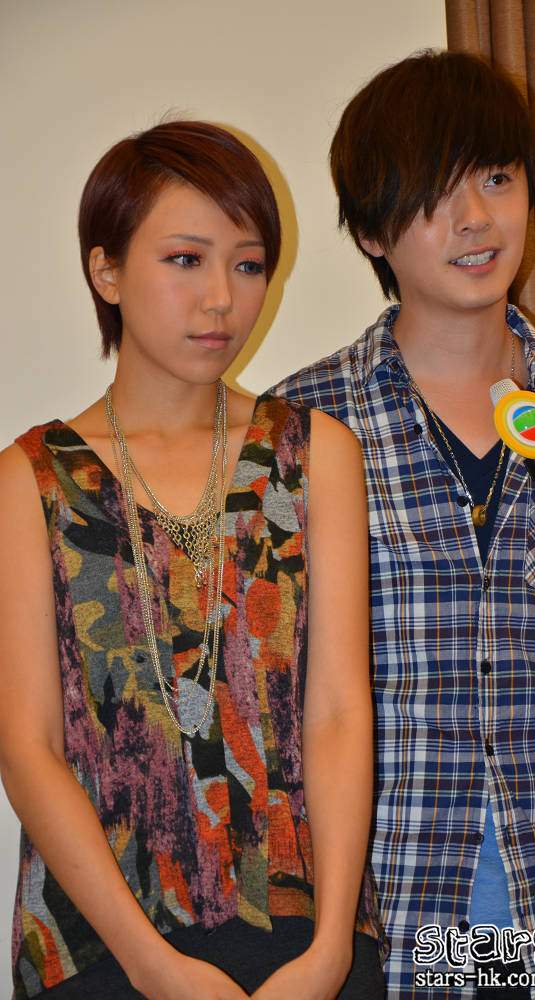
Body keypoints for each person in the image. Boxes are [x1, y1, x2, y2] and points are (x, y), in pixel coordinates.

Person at [273, 50, 535, 999]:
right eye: (436, 195)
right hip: (390, 920)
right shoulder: (302, 425)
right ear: (371, 230)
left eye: (497, 177)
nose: (477, 218)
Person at [0, 120, 385, 999]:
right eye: (186, 259)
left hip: (306, 938)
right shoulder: (31, 481)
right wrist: (153, 967)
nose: (221, 299)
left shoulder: (316, 454)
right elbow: (28, 748)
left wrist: (332, 949)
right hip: (102, 945)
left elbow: (337, 712)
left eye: (248, 265)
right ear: (106, 271)